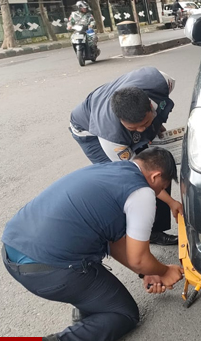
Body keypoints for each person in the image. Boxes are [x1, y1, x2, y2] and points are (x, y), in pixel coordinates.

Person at [1, 147, 184, 341]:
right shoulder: (141, 192)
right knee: (124, 314)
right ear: (155, 177)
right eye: (160, 187)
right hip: (49, 269)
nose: (157, 194)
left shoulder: (109, 169)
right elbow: (139, 257)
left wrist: (146, 273)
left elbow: (116, 241)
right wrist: (165, 270)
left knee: (98, 280)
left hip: (14, 251)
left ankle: (88, 310)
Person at [69, 67, 181, 245]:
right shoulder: (111, 136)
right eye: (133, 129)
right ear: (121, 121)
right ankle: (136, 233)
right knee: (129, 182)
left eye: (145, 123)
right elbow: (139, 177)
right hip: (88, 132)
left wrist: (157, 126)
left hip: (116, 106)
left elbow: (154, 116)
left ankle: (157, 227)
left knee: (159, 164)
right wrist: (171, 202)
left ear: (150, 107)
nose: (142, 130)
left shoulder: (161, 81)